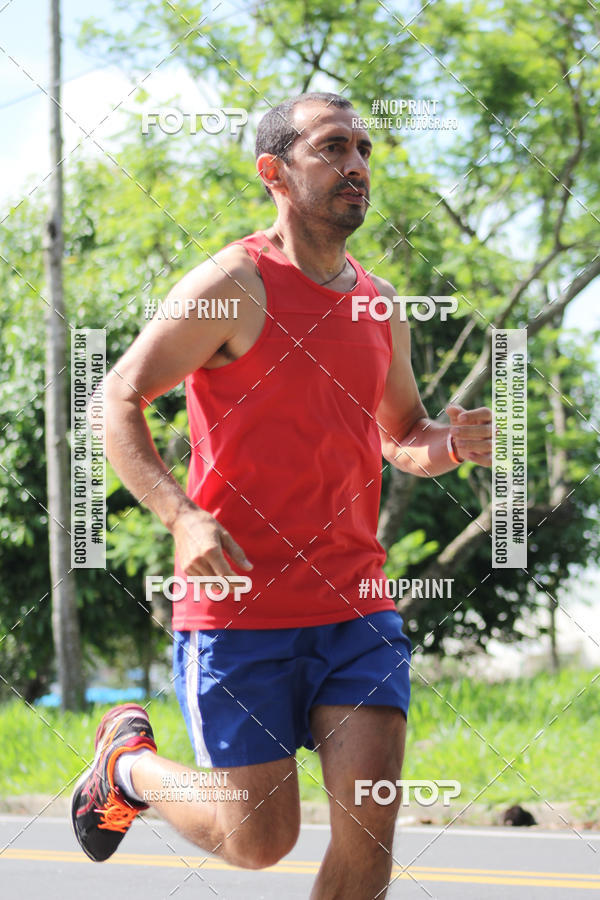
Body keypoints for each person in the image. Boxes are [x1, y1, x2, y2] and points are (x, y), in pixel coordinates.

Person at [71, 91, 492, 898]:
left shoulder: (380, 302)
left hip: (356, 607)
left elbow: (402, 433)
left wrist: (452, 444)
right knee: (260, 840)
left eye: (365, 149)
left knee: (370, 830)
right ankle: (128, 770)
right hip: (240, 609)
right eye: (334, 148)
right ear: (274, 171)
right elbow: (115, 396)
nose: (358, 166)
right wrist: (181, 516)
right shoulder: (232, 282)